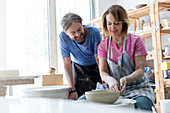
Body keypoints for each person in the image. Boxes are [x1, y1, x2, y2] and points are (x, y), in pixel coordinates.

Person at [97, 5, 156, 111]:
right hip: (113, 88)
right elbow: (103, 72)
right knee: (83, 101)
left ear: (123, 23)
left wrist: (126, 79)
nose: (112, 27)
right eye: (109, 23)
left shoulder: (136, 41)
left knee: (140, 106)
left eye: (116, 23)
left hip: (137, 87)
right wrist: (110, 80)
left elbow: (140, 70)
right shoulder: (103, 45)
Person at [59, 13, 102, 100]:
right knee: (80, 100)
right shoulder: (63, 37)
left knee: (97, 99)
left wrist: (104, 83)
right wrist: (73, 90)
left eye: (79, 29)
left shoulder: (94, 32)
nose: (78, 35)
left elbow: (99, 60)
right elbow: (67, 63)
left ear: (82, 25)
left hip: (96, 67)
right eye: (73, 32)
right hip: (78, 68)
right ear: (66, 33)